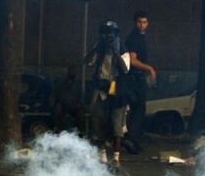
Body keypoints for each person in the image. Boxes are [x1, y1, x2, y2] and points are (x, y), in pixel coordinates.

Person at [85, 20, 129, 167]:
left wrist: (115, 53)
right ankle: (102, 152)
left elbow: (125, 69)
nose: (108, 37)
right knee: (99, 121)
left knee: (117, 124)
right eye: (105, 34)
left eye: (111, 34)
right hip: (101, 89)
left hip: (117, 91)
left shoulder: (122, 48)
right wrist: (97, 47)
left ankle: (116, 157)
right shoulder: (100, 48)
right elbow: (87, 61)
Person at [124, 10, 156, 154]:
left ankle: (133, 139)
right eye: (139, 22)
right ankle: (131, 140)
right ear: (135, 22)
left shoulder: (139, 37)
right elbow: (132, 60)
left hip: (137, 78)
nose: (142, 25)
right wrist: (149, 68)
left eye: (144, 22)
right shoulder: (134, 38)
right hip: (135, 79)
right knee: (137, 110)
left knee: (138, 110)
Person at [52, 65, 83, 132]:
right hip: (63, 105)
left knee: (80, 112)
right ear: (68, 71)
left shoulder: (77, 84)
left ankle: (78, 130)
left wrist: (79, 103)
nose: (73, 72)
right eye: (72, 71)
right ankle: (58, 128)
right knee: (58, 110)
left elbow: (80, 95)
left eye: (74, 71)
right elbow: (56, 94)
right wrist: (57, 103)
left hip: (74, 106)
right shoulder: (62, 82)